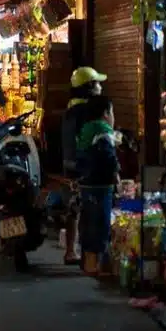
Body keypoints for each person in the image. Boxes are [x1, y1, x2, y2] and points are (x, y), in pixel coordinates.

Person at [57, 66, 107, 265]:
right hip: (83, 165)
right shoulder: (87, 111)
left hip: (70, 164)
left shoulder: (71, 109)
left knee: (73, 208)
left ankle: (71, 251)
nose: (100, 87)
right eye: (97, 83)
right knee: (89, 208)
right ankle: (90, 255)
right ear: (89, 86)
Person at [75, 95, 122, 277]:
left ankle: (87, 261)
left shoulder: (86, 128)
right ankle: (94, 265)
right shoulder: (102, 130)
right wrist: (116, 175)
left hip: (86, 182)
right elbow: (107, 157)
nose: (113, 117)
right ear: (105, 113)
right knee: (100, 223)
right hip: (100, 184)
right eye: (112, 112)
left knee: (88, 222)